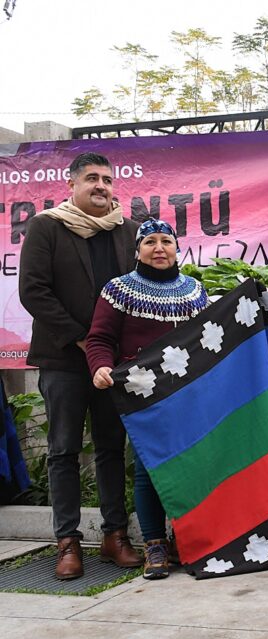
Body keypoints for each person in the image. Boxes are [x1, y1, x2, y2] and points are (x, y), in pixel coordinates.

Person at [19, 152, 142, 580]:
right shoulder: (47, 226)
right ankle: (68, 541)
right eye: (91, 178)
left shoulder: (128, 231)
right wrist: (82, 338)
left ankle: (115, 536)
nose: (101, 186)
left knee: (111, 448)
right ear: (71, 184)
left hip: (113, 366)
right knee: (63, 450)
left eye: (107, 179)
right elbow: (33, 291)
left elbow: (140, 291)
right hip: (64, 360)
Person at [85, 219, 209, 579]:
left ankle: (183, 539)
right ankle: (154, 544)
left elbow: (206, 341)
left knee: (188, 466)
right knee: (147, 468)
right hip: (140, 395)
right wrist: (101, 367)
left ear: (176, 248)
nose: (159, 248)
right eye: (150, 242)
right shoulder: (119, 290)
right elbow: (99, 339)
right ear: (137, 250)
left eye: (166, 241)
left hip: (187, 395)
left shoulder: (195, 291)